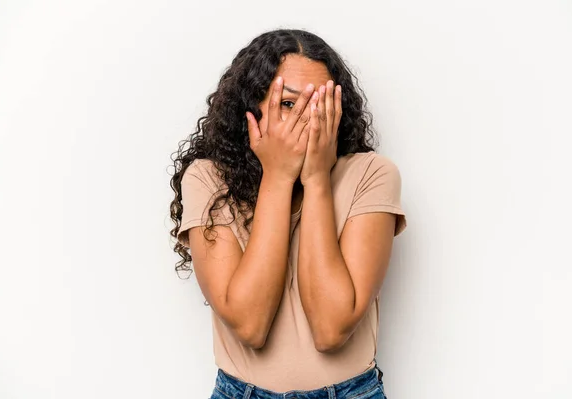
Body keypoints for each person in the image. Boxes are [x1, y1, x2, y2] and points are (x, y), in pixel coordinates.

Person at [169, 28, 407, 399]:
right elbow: (250, 326)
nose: (307, 122)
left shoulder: (371, 174)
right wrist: (278, 177)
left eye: (320, 105)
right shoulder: (208, 178)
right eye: (287, 103)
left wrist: (316, 181)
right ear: (252, 109)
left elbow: (331, 330)